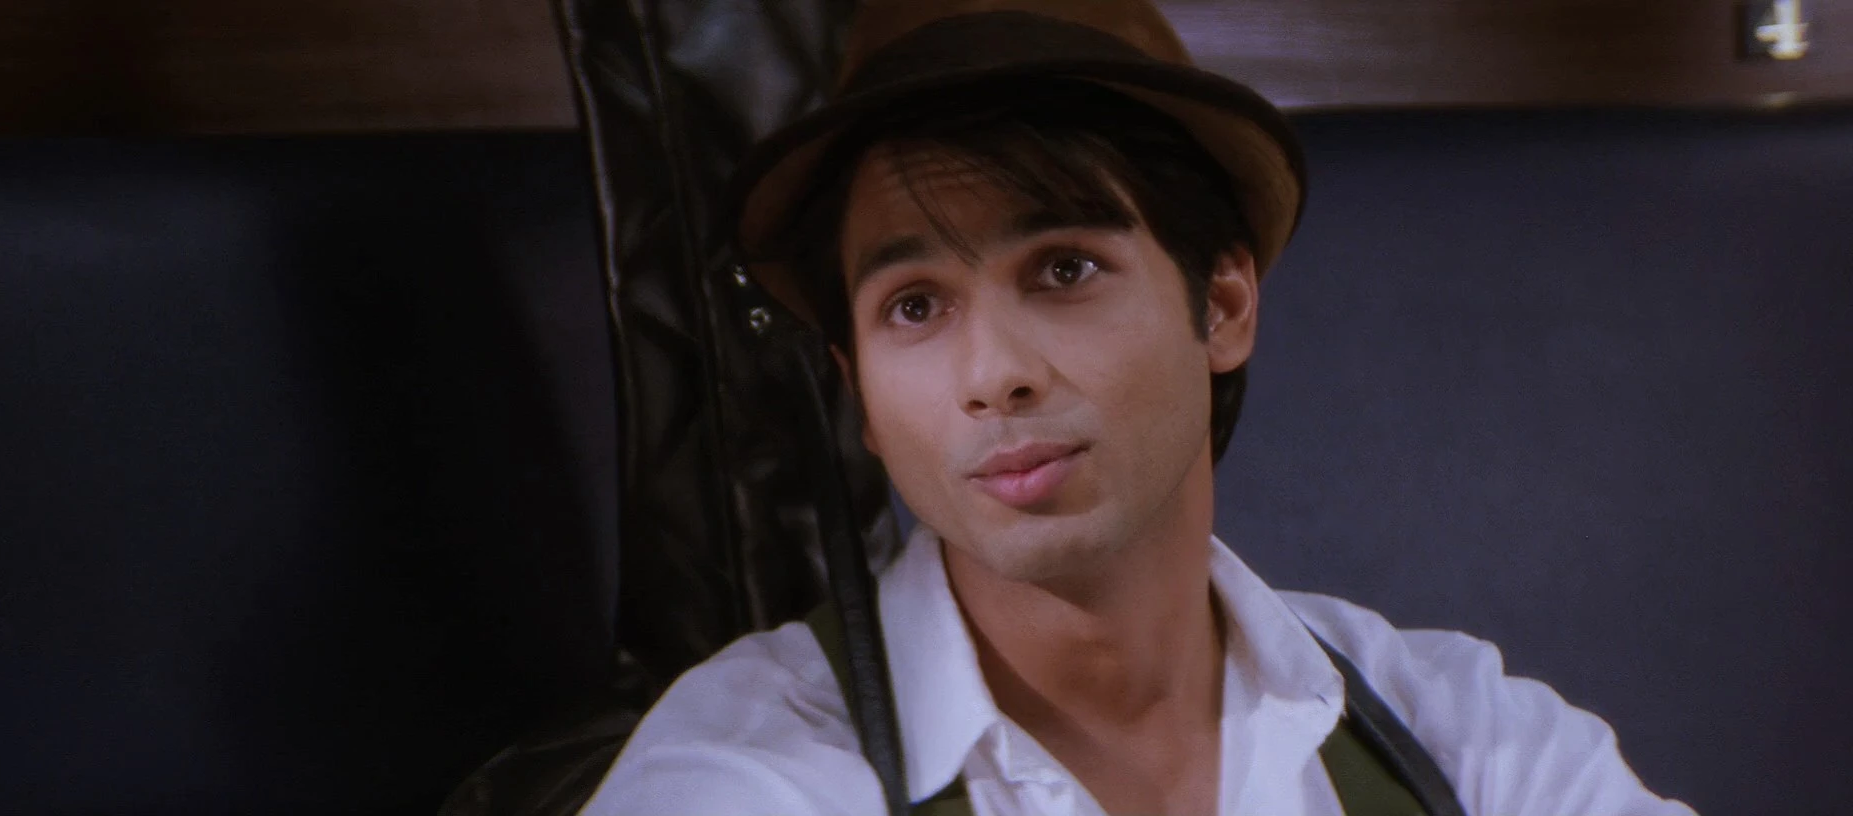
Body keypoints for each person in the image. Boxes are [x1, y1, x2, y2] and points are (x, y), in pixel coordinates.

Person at [581, 1, 1697, 814]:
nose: (993, 374)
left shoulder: (1462, 737)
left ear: (1222, 303)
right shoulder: (751, 772)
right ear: (856, 390)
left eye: (1063, 269)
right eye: (915, 305)